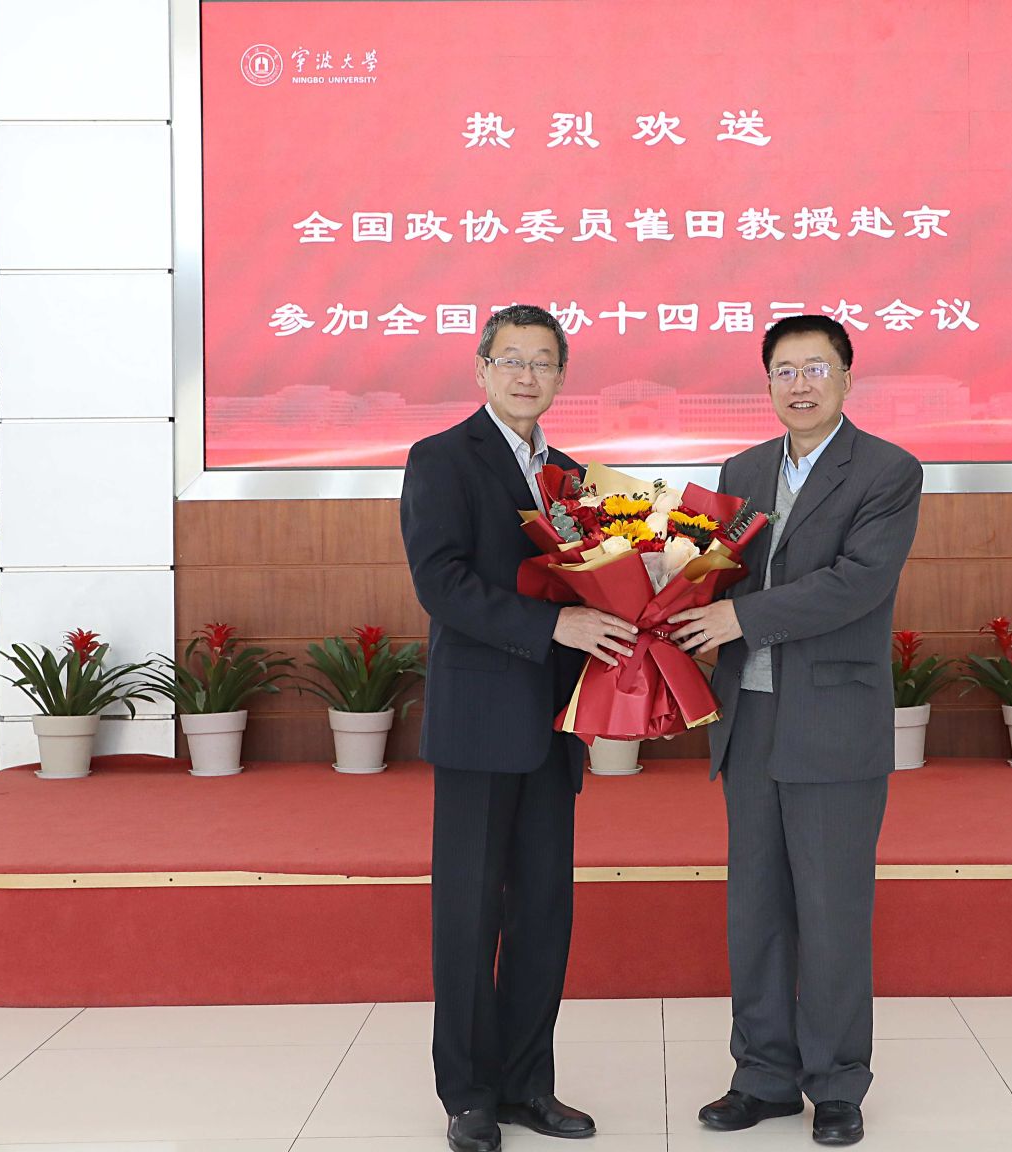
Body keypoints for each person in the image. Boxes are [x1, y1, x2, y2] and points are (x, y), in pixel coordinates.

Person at [669, 314, 923, 1147]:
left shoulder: (888, 470)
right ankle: (764, 1076)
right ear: (768, 383)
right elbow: (711, 572)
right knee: (757, 910)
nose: (800, 384)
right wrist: (664, 594)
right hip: (750, 717)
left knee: (832, 908)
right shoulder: (741, 471)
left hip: (833, 719)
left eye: (816, 368)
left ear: (847, 378)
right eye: (785, 370)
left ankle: (838, 1083)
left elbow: (857, 582)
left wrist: (738, 618)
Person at [400, 304, 638, 1152]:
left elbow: (593, 584)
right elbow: (442, 583)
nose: (527, 374)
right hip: (478, 722)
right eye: (512, 359)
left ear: (561, 377)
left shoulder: (573, 477)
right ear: (482, 369)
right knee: (468, 914)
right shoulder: (441, 458)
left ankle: (529, 1086)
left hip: (553, 722)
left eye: (543, 361)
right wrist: (553, 628)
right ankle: (468, 1094)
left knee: (543, 913)